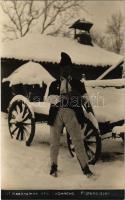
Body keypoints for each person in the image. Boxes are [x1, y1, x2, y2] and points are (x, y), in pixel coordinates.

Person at [46, 52, 99, 178]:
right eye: (64, 68)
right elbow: (49, 99)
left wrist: (79, 97)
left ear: (71, 69)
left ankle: (85, 168)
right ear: (60, 69)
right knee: (54, 142)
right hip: (56, 114)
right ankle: (53, 166)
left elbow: (85, 99)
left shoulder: (78, 84)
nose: (66, 71)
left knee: (78, 141)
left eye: (68, 68)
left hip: (72, 114)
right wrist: (65, 97)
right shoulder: (54, 84)